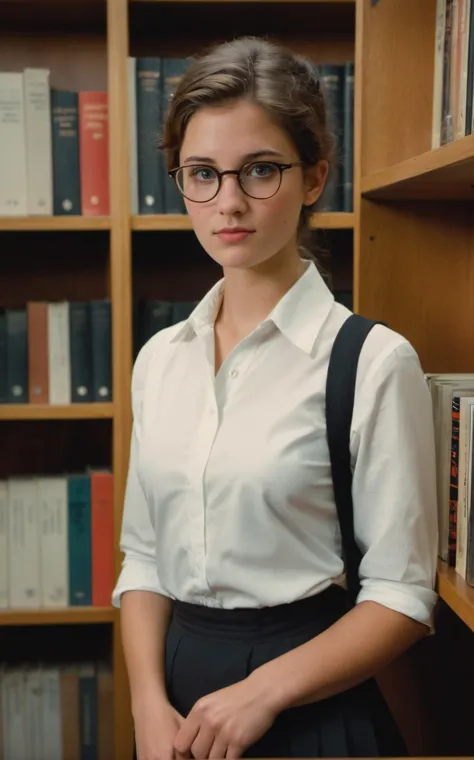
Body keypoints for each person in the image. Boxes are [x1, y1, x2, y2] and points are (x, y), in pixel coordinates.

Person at [112, 36, 438, 760]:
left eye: (260, 170)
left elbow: (403, 596)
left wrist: (262, 693)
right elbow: (144, 560)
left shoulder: (374, 362)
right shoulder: (160, 360)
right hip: (176, 701)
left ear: (315, 176)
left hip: (316, 703)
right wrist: (145, 707)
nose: (228, 202)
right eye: (202, 174)